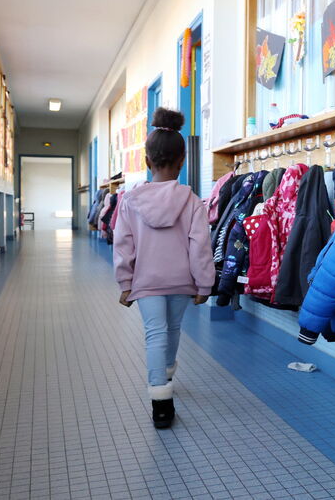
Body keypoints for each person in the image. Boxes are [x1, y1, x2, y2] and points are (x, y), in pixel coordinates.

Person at [113, 108, 215, 429]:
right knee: (172, 331)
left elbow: (123, 244)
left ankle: (161, 403)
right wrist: (204, 284)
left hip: (147, 282)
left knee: (155, 335)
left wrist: (125, 283)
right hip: (182, 282)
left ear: (147, 161)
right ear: (182, 161)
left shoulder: (130, 201)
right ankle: (167, 373)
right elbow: (200, 247)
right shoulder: (192, 201)